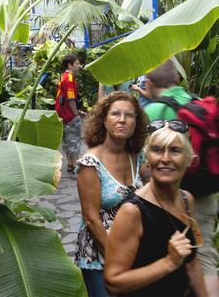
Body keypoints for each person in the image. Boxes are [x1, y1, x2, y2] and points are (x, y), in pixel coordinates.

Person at [104, 120, 207, 296]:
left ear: (189, 159)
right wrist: (169, 262)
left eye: (175, 150)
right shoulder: (133, 211)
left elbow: (192, 263)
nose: (165, 159)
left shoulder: (186, 200)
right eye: (157, 150)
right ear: (147, 157)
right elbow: (114, 282)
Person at [143, 59, 219, 296]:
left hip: (167, 198)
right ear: (177, 79)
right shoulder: (197, 103)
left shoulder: (153, 111)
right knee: (205, 256)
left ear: (149, 83)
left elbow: (140, 161)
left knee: (163, 253)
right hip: (205, 193)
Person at [74, 91, 148, 297]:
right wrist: (119, 259)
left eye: (129, 115)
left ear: (137, 122)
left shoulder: (137, 156)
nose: (122, 120)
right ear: (104, 120)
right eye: (115, 114)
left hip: (132, 251)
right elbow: (91, 219)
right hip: (100, 257)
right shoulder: (90, 163)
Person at [55, 53, 82, 172]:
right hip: (69, 114)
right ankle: (75, 164)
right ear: (70, 65)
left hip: (62, 114)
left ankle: (70, 163)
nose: (79, 66)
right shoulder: (69, 78)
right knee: (74, 139)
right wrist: (76, 113)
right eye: (76, 63)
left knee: (66, 139)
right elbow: (71, 98)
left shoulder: (63, 76)